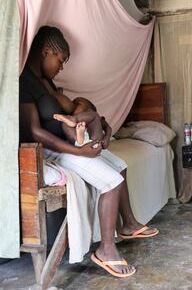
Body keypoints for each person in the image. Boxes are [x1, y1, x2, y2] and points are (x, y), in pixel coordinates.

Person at [19, 25, 159, 277]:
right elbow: (35, 132)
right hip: (52, 150)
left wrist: (92, 131)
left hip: (69, 144)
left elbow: (69, 111)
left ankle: (128, 224)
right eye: (60, 61)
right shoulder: (24, 82)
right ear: (47, 51)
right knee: (112, 183)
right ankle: (106, 250)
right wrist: (81, 152)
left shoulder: (46, 81)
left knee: (119, 165)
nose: (61, 67)